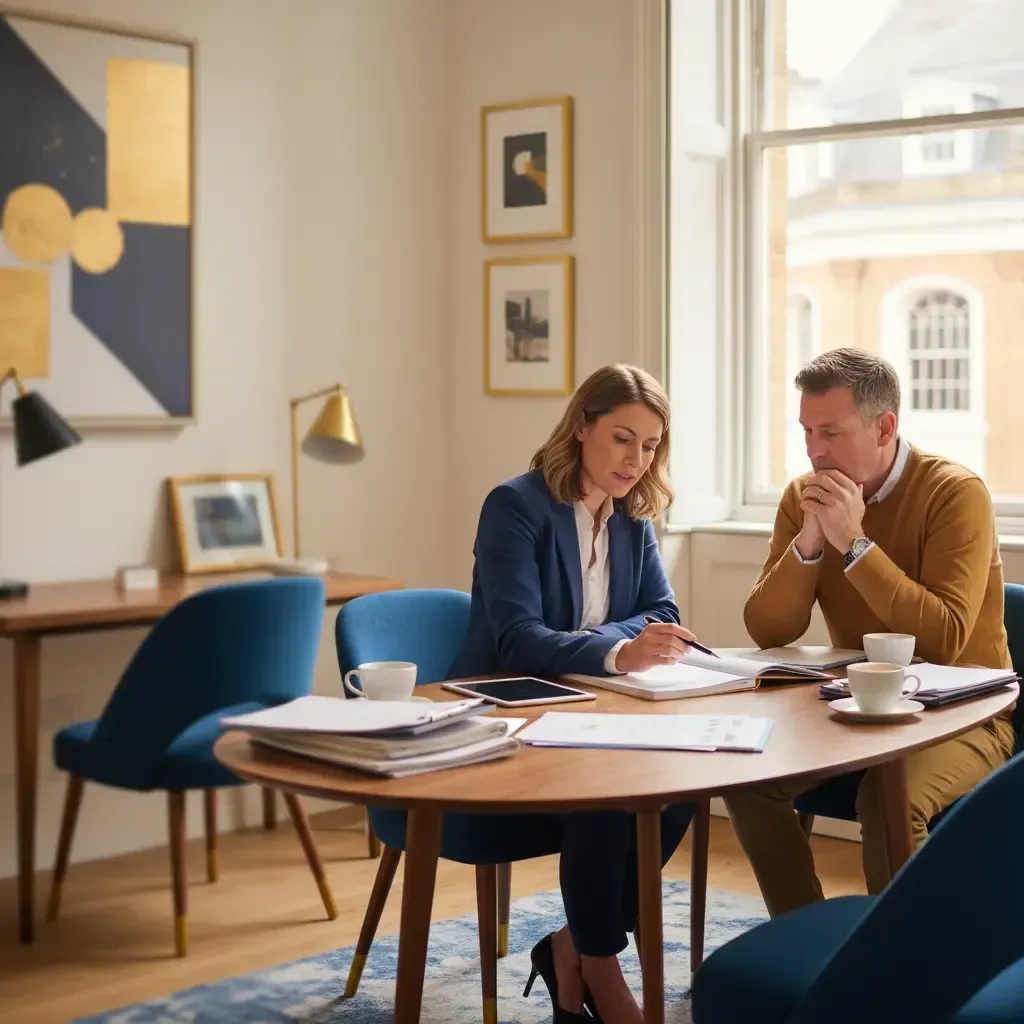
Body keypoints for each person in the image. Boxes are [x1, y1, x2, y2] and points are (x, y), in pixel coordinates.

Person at [724, 347, 1016, 918]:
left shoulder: (955, 494)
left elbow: (944, 639)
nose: (813, 450)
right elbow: (768, 629)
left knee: (888, 799)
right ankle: (805, 938)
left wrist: (856, 545)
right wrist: (810, 539)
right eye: (807, 430)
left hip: (965, 714)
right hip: (852, 709)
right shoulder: (802, 496)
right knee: (745, 775)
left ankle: (904, 966)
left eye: (830, 431)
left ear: (885, 426)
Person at [451, 363, 697, 1024]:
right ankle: (599, 969)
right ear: (582, 426)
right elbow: (517, 642)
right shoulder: (516, 506)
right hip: (501, 719)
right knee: (606, 801)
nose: (636, 461)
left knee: (683, 785)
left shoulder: (633, 515)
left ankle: (573, 947)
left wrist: (602, 639)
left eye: (650, 446)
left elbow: (661, 610)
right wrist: (617, 647)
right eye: (622, 438)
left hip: (588, 709)